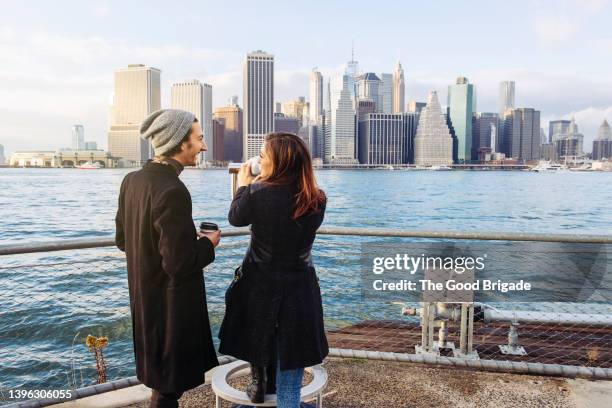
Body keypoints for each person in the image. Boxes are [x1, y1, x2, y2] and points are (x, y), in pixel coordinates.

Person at [115, 109, 221, 408]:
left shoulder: (132, 181)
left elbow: (124, 241)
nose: (204, 147)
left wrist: (180, 241)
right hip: (170, 308)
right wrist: (208, 244)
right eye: (199, 139)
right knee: (168, 390)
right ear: (179, 143)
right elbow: (178, 264)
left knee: (160, 383)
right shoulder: (173, 189)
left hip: (144, 300)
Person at [218, 132, 328, 408]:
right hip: (300, 290)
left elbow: (235, 218)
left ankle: (258, 387)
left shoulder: (257, 193)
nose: (259, 160)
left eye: (264, 156)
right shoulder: (317, 199)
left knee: (260, 342)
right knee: (291, 367)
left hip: (260, 288)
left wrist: (243, 185)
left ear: (277, 162)